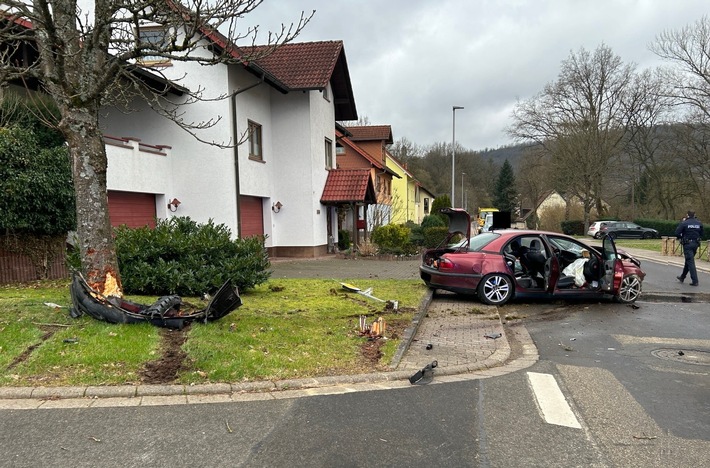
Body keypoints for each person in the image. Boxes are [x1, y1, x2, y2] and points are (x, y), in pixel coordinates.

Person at [675, 210, 704, 286]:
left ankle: (695, 281)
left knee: (690, 261)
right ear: (695, 215)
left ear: (687, 215)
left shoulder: (684, 223)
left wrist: (682, 237)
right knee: (688, 260)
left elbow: (677, 233)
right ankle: (682, 277)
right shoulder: (699, 223)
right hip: (696, 244)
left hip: (687, 244)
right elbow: (702, 233)